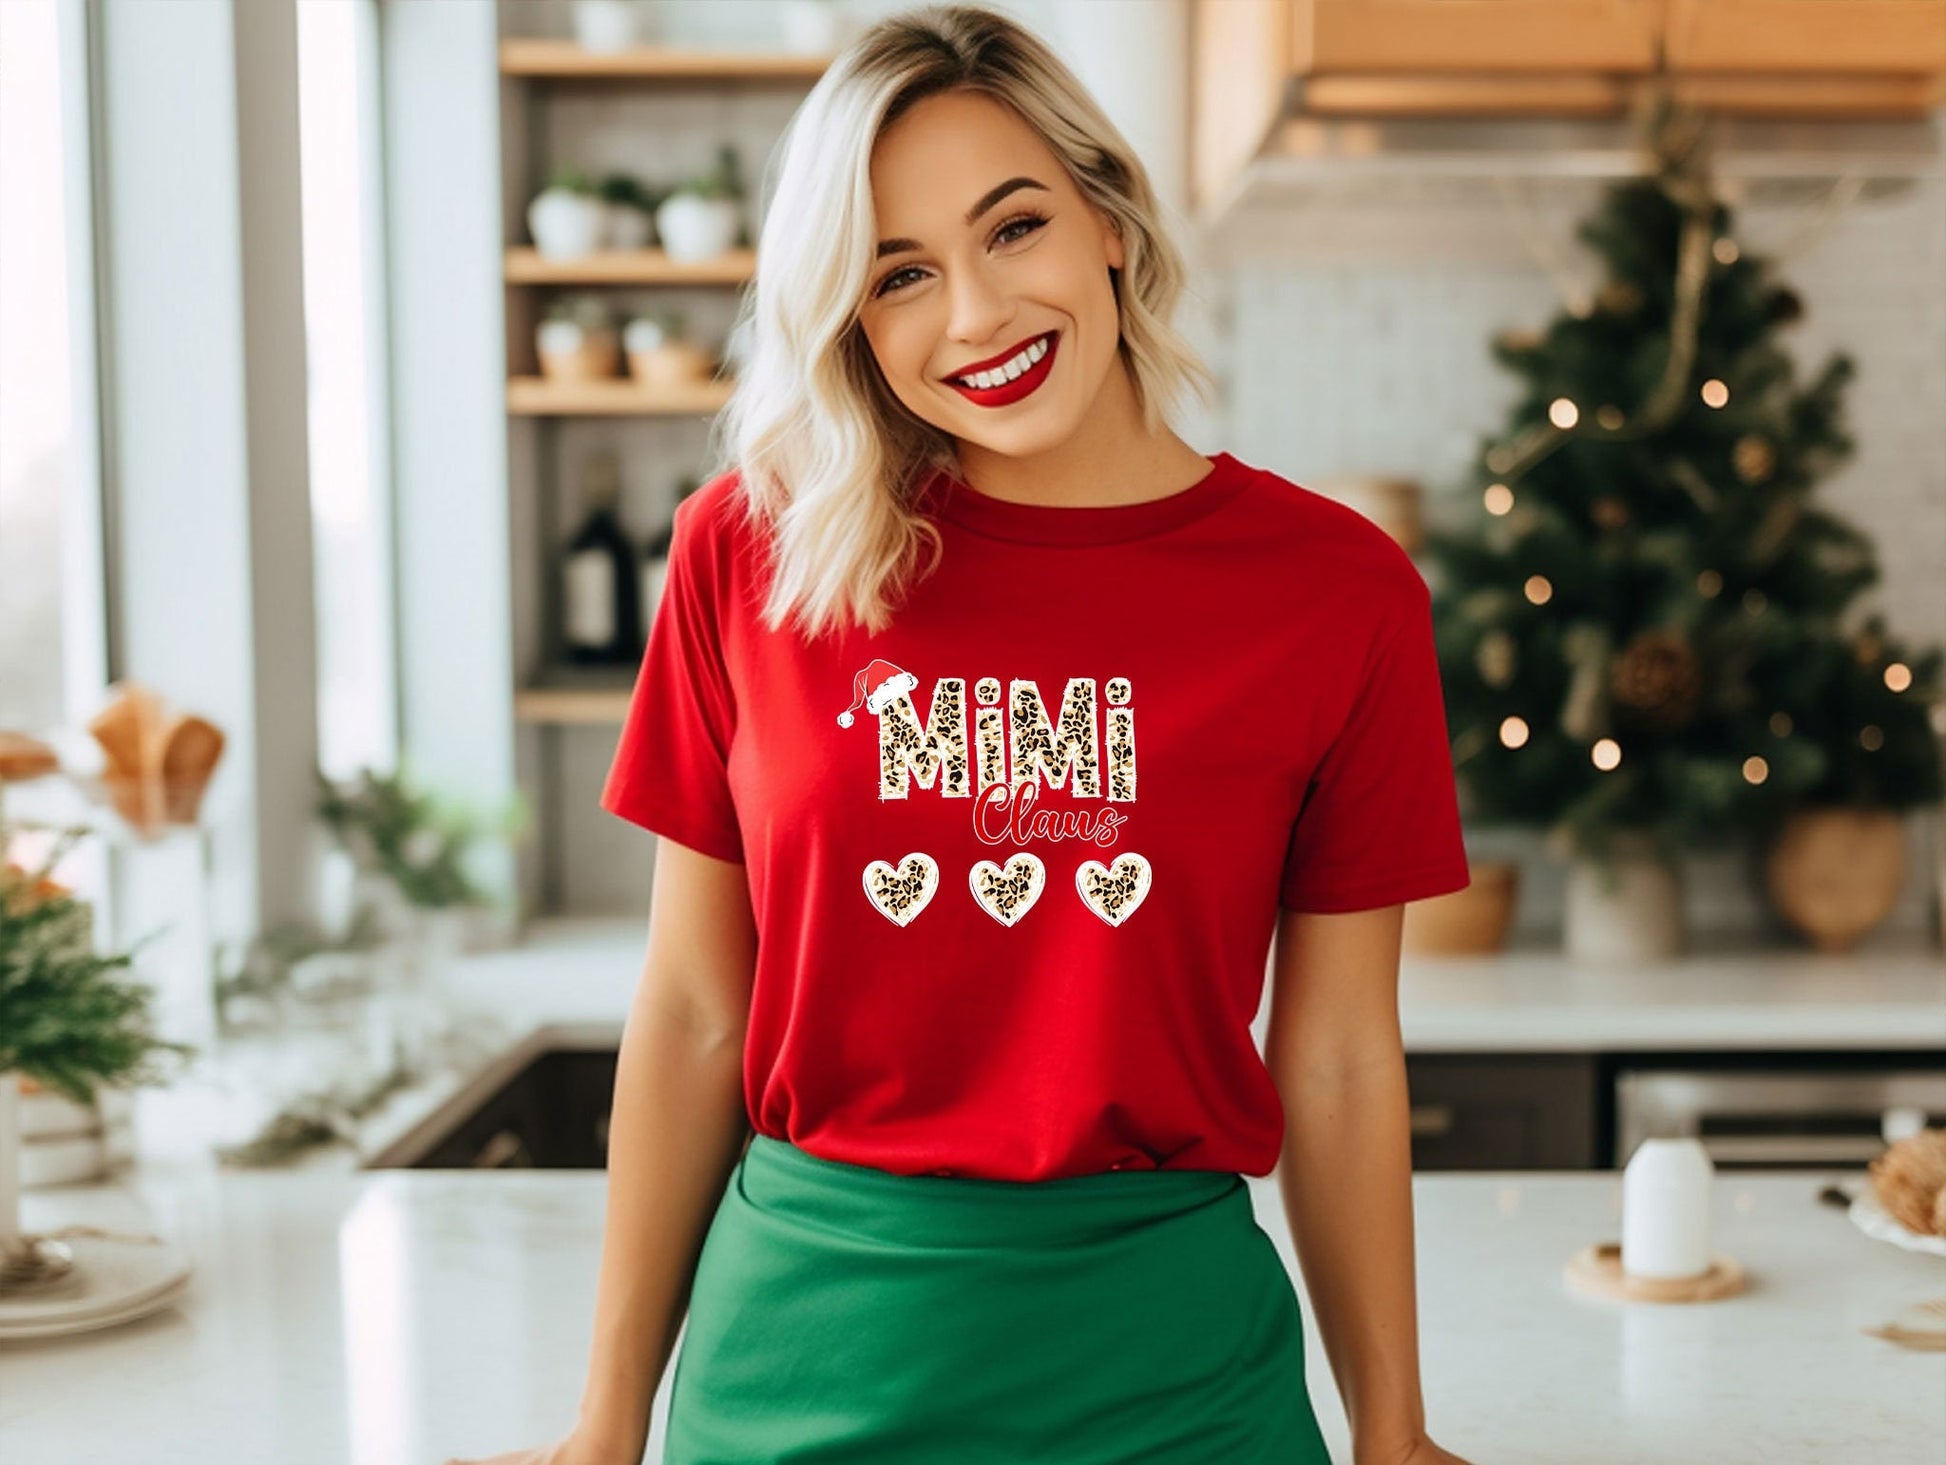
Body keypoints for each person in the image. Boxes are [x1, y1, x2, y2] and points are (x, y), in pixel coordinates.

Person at [451, 6, 1477, 1464]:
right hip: (794, 1370)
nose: (976, 317)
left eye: (1012, 229)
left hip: (1175, 1381)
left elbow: (1337, 1058)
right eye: (898, 277)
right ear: (849, 323)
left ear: (1106, 218)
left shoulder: (1333, 589)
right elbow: (689, 1008)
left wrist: (1394, 1432)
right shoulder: (749, 554)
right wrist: (603, 1425)